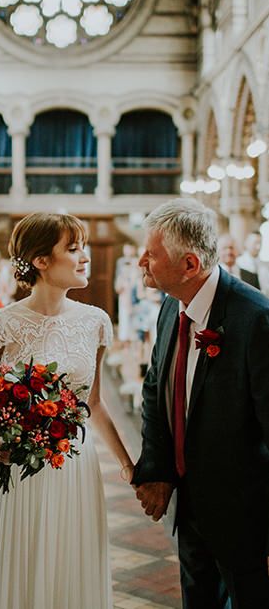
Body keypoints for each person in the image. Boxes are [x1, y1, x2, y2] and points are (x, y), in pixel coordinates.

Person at [0, 213, 134, 609]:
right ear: (40, 261)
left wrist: (128, 464)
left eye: (84, 247)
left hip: (74, 466)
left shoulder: (96, 323)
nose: (84, 257)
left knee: (69, 566)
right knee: (18, 566)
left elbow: (93, 403)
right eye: (72, 249)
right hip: (16, 466)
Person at [132, 199, 269, 608]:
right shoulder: (172, 304)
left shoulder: (256, 320)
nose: (142, 261)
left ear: (189, 264)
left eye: (151, 254)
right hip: (190, 506)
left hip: (246, 514)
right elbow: (156, 388)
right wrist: (158, 471)